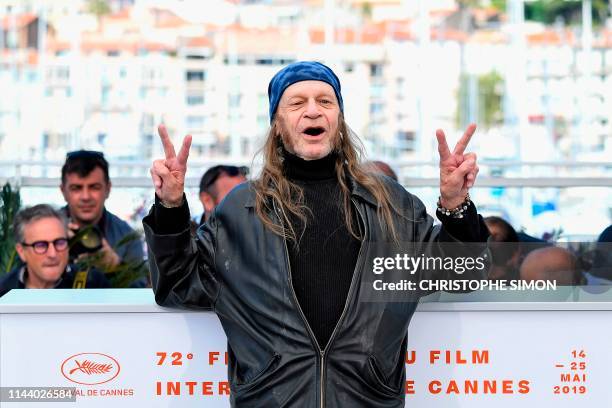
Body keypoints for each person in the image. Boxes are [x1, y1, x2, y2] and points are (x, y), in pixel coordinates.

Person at [144, 61, 490, 407]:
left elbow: (463, 272)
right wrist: (170, 208)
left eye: (325, 101)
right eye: (297, 103)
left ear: (339, 121)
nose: (313, 111)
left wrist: (456, 203)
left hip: (366, 399)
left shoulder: (390, 203)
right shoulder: (241, 209)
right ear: (277, 125)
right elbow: (177, 285)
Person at [0, 204, 110, 298]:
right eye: (41, 245)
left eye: (59, 242)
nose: (52, 254)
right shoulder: (4, 291)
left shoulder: (92, 284)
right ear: (21, 252)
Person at [60, 150, 144, 267]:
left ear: (108, 189)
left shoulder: (128, 238)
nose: (85, 197)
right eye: (76, 188)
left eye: (94, 187)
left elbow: (140, 285)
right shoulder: (44, 232)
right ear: (63, 191)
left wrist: (115, 265)